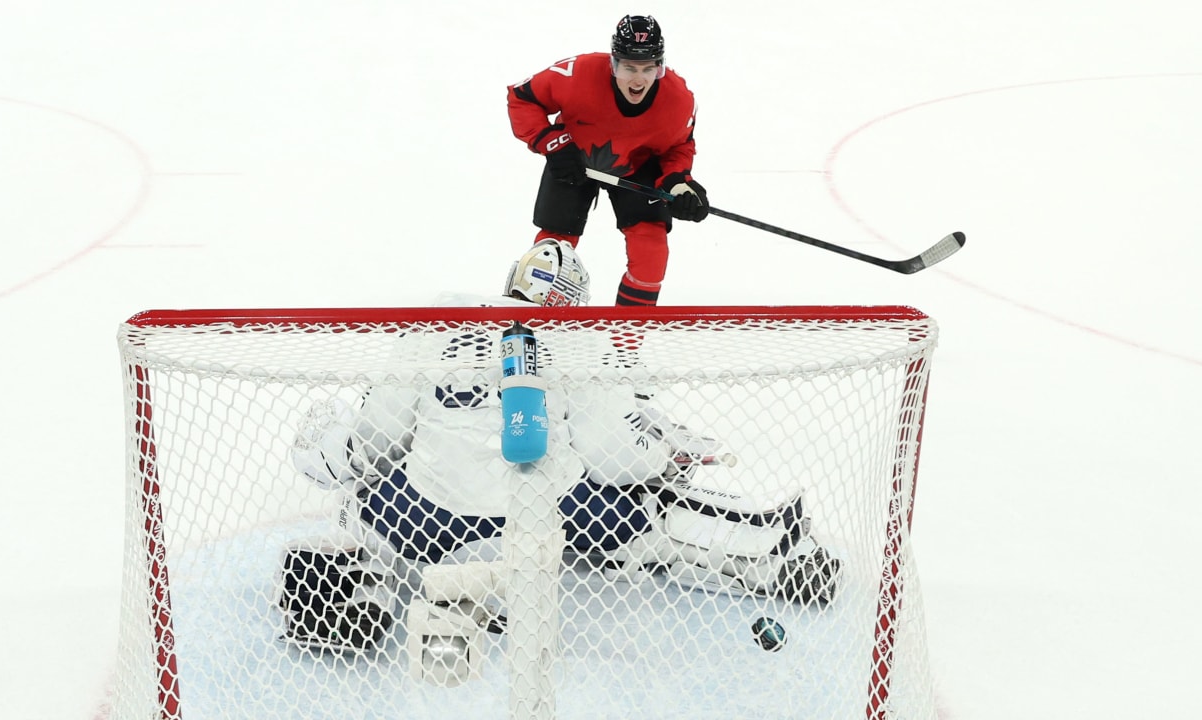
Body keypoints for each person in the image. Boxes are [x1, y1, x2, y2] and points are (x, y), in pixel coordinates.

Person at [276, 240, 840, 661]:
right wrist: (663, 457)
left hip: (429, 519)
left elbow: (376, 440)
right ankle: (774, 556)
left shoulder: (439, 317)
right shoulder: (577, 337)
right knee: (646, 508)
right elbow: (615, 457)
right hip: (546, 516)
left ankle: (367, 582)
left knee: (360, 496)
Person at [507, 14, 709, 308]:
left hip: (638, 165)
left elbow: (679, 147)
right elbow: (522, 98)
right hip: (573, 157)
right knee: (551, 248)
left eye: (648, 68)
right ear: (613, 64)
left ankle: (630, 335)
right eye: (629, 67)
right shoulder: (578, 73)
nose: (638, 79)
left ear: (660, 66)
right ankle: (537, 322)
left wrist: (679, 183)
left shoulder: (679, 100)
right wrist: (553, 144)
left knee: (651, 250)